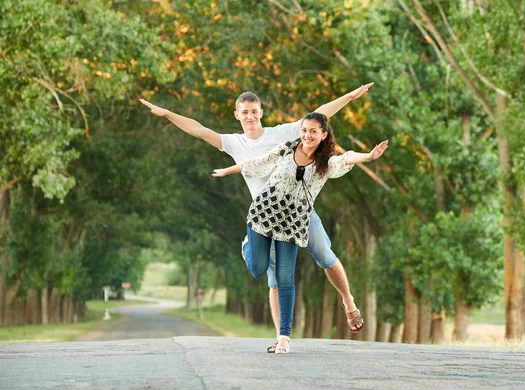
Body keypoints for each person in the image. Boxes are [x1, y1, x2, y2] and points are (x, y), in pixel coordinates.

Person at [140, 83, 371, 352]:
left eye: (254, 111)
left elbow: (319, 115)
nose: (250, 116)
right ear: (237, 115)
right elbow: (198, 129)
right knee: (276, 277)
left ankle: (348, 302)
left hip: (298, 212)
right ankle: (281, 337)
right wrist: (168, 113)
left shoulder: (281, 133)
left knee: (326, 256)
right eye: (245, 112)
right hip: (265, 218)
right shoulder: (232, 142)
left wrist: (350, 96)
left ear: (261, 112)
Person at [213, 112, 388, 353]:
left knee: (285, 279)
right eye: (304, 130)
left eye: (313, 131)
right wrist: (228, 170)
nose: (307, 135)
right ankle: (248, 246)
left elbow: (346, 159)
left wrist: (368, 156)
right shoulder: (286, 148)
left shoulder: (325, 161)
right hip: (263, 215)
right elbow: (258, 162)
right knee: (257, 270)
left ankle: (284, 337)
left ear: (324, 135)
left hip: (292, 224)